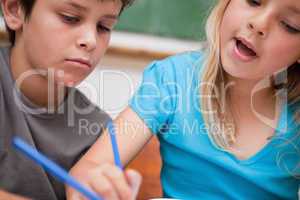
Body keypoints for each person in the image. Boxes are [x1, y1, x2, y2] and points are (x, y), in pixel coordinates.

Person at [69, 0, 300, 199]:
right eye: (253, 0)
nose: (259, 24)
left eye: (290, 25)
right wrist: (95, 185)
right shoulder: (172, 80)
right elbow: (88, 170)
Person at [0, 0, 141, 199]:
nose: (90, 40)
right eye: (70, 18)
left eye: (103, 27)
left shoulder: (98, 133)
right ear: (14, 10)